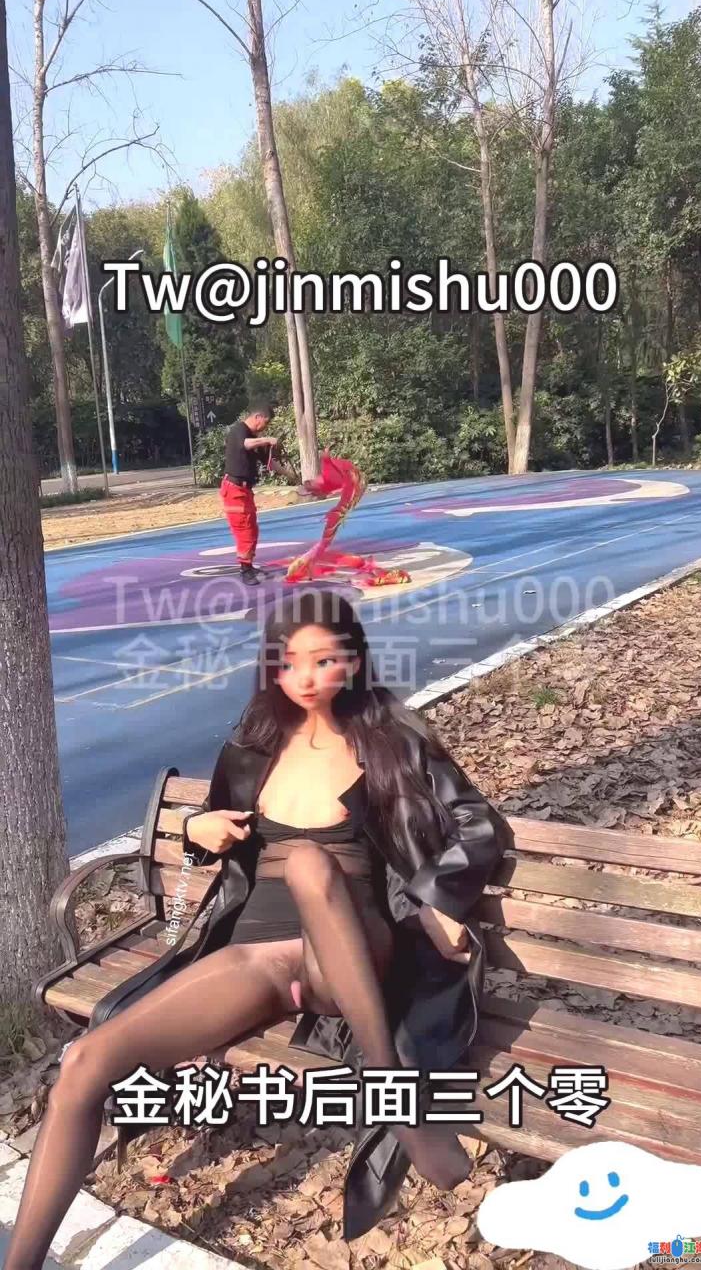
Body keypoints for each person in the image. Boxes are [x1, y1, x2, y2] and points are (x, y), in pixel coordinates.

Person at [5, 590, 513, 1267]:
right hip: (259, 955)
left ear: (354, 660)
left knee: (307, 863)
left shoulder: (392, 737)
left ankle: (393, 1097)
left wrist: (440, 900)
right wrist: (197, 827)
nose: (306, 677)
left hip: (353, 952)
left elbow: (479, 823)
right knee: (84, 1063)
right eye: (289, 661)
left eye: (324, 660)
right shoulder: (254, 742)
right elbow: (215, 831)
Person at [220, 405, 298, 585]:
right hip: (234, 489)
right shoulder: (238, 430)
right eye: (266, 422)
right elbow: (245, 444)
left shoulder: (255, 439)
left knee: (252, 528)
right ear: (258, 417)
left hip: (246, 490)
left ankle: (248, 564)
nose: (266, 427)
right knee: (244, 530)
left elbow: (270, 463)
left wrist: (290, 475)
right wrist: (267, 440)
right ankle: (245, 570)